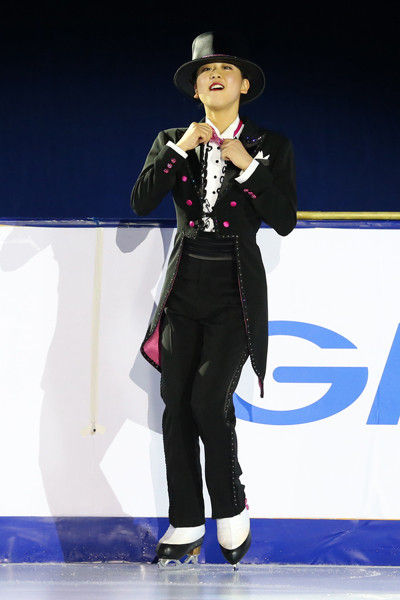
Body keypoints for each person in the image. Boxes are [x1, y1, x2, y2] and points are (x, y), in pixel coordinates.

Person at [130, 31, 298, 569]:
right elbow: (141, 202)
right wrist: (180, 149)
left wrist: (247, 164)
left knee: (208, 402)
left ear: (244, 84)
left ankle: (230, 505)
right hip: (183, 286)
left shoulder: (270, 144)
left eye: (226, 68)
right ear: (195, 87)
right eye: (206, 70)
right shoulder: (171, 139)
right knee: (176, 406)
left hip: (235, 288)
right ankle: (185, 520)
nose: (216, 75)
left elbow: (285, 220)